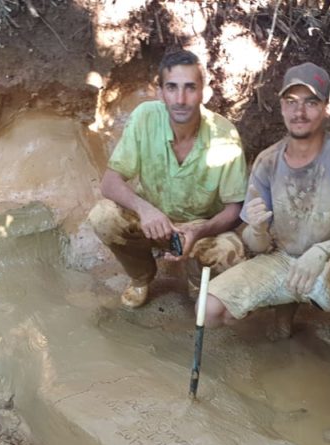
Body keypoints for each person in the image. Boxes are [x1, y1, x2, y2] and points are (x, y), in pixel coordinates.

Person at [205, 62, 330, 400]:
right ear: (281, 106)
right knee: (209, 310)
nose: (299, 112)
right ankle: (284, 306)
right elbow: (256, 244)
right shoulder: (267, 161)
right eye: (291, 102)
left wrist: (322, 251)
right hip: (282, 260)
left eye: (311, 102)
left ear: (328, 108)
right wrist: (257, 229)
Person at [88, 50, 247, 308]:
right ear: (160, 92)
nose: (180, 99)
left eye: (190, 88)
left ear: (204, 93)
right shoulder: (145, 117)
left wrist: (199, 231)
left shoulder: (224, 134)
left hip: (199, 227)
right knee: (102, 216)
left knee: (233, 251)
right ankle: (141, 276)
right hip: (151, 218)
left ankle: (196, 278)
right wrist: (145, 210)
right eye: (172, 88)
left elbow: (235, 209)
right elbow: (109, 182)